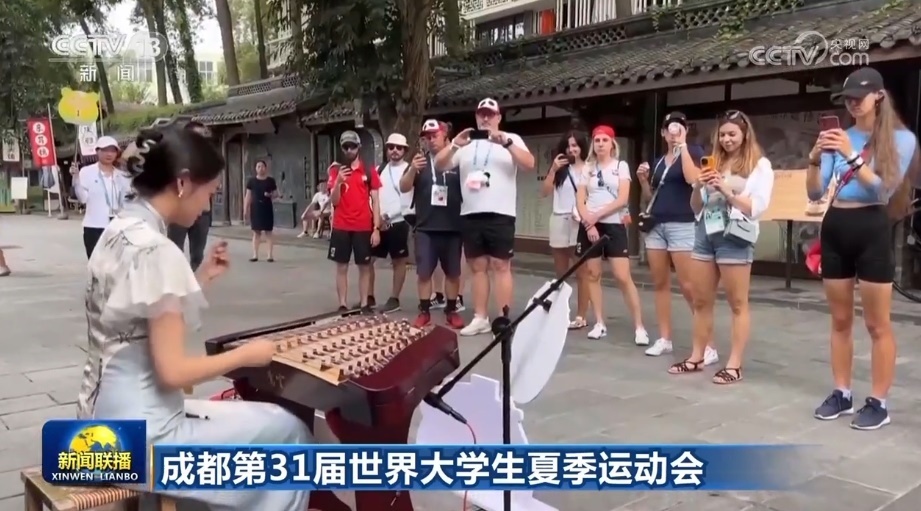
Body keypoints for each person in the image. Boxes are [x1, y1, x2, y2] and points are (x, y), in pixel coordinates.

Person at [78, 128, 312, 510]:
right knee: (289, 431)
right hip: (144, 439)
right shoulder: (158, 250)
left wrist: (199, 278)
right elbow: (173, 372)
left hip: (99, 422)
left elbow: (140, 319)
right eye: (209, 193)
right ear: (183, 183)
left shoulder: (117, 231)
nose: (207, 207)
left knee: (253, 420)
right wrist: (246, 355)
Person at [808, 67, 919, 430]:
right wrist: (815, 157)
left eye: (859, 97)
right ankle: (842, 393)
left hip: (871, 226)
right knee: (840, 320)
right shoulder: (840, 136)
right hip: (836, 225)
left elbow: (884, 189)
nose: (853, 104)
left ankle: (879, 402)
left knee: (877, 323)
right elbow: (815, 190)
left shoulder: (901, 139)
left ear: (879, 96)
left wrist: (851, 155)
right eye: (848, 99)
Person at [669, 110, 774, 385]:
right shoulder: (713, 162)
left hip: (734, 234)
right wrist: (698, 186)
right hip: (706, 230)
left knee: (737, 303)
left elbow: (756, 207)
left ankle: (734, 364)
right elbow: (696, 207)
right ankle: (697, 356)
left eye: (732, 134)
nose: (727, 139)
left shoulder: (759, 165)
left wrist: (726, 189)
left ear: (745, 135)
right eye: (723, 134)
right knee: (700, 300)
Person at [434, 98, 535, 335]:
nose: (486, 118)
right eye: (482, 114)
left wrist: (507, 143)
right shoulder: (466, 144)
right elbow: (440, 165)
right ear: (476, 117)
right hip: (471, 212)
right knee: (477, 266)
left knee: (501, 265)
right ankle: (480, 317)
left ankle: (503, 317)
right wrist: (455, 144)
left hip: (501, 212)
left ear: (499, 117)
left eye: (490, 114)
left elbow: (529, 164)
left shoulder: (512, 138)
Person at [637, 112, 719, 364]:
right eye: (670, 129)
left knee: (688, 285)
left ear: (685, 131)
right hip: (657, 224)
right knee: (660, 283)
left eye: (679, 127)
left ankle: (708, 345)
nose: (674, 132)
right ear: (663, 133)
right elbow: (651, 197)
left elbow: (692, 179)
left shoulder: (694, 152)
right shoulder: (658, 162)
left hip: (683, 224)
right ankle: (665, 338)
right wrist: (643, 181)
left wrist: (682, 147)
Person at [574, 125, 647, 342]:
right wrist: (589, 223)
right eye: (597, 140)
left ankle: (639, 326)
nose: (600, 144)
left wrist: (597, 216)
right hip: (590, 225)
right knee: (593, 274)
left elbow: (623, 199)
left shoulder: (620, 166)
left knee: (622, 276)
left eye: (605, 140)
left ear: (612, 144)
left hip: (613, 224)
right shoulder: (587, 168)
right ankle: (599, 322)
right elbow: (580, 199)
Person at [402, 120, 466, 329]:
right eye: (427, 137)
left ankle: (451, 310)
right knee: (424, 273)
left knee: (453, 273)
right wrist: (412, 169)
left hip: (453, 227)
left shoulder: (457, 160)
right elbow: (404, 187)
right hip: (426, 227)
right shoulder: (420, 162)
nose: (430, 140)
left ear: (445, 136)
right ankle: (424, 311)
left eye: (434, 135)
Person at [327, 131, 382, 313]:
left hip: (363, 225)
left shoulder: (369, 170)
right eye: (345, 147)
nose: (349, 150)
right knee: (341, 266)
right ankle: (342, 304)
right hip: (341, 226)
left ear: (359, 147)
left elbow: (376, 200)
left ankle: (364, 303)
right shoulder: (336, 171)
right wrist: (338, 183)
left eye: (352, 146)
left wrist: (376, 228)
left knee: (364, 266)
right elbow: (334, 201)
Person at [542, 130, 591, 329]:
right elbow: (544, 192)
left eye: (575, 145)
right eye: (568, 146)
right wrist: (553, 169)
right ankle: (561, 312)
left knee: (582, 271)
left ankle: (581, 315)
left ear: (582, 147)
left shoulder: (589, 168)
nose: (572, 149)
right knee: (561, 272)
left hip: (579, 221)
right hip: (559, 218)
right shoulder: (560, 169)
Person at [368, 133, 413, 313]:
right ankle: (369, 296)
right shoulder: (379, 169)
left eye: (399, 147)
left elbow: (408, 200)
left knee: (398, 261)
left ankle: (394, 298)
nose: (395, 150)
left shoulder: (409, 170)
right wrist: (376, 218)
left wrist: (387, 216)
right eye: (391, 147)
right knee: (368, 259)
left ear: (404, 150)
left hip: (398, 221)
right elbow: (372, 196)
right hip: (378, 223)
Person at [71, 136, 133, 258]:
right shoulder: (86, 172)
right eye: (105, 150)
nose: (109, 154)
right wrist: (76, 179)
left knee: (116, 262)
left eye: (112, 150)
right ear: (97, 151)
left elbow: (127, 201)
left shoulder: (122, 176)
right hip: (94, 226)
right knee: (96, 262)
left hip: (117, 226)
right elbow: (83, 199)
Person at [167, 121, 214, 270]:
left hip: (202, 211)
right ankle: (176, 280)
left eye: (203, 134)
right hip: (179, 211)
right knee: (175, 251)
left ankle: (192, 279)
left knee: (198, 255)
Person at [244, 160, 278, 262]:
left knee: (268, 232)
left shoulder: (270, 181)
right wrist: (245, 209)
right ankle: (255, 255)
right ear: (256, 169)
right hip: (256, 207)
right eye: (258, 166)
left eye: (262, 166)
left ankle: (270, 255)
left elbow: (276, 194)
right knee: (256, 232)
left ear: (266, 168)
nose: (260, 168)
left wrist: (270, 195)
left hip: (267, 207)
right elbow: (248, 196)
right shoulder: (251, 181)